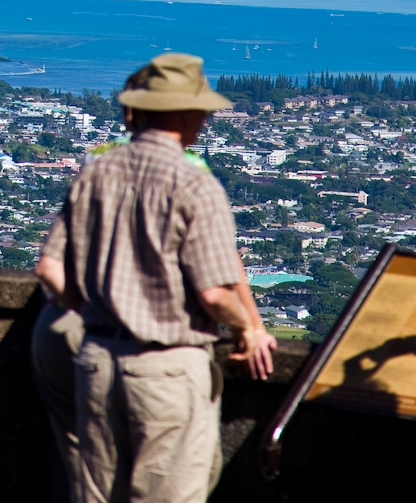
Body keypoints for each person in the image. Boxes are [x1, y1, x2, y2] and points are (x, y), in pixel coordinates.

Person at [55, 52, 275, 503]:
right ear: (187, 113)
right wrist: (248, 326)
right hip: (165, 369)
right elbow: (215, 293)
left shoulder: (96, 171)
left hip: (95, 359)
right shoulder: (193, 183)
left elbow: (64, 279)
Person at [30, 219, 88, 503]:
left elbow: (48, 268)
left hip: (62, 330)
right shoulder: (191, 177)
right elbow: (215, 292)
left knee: (85, 473)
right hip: (151, 349)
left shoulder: (93, 177)